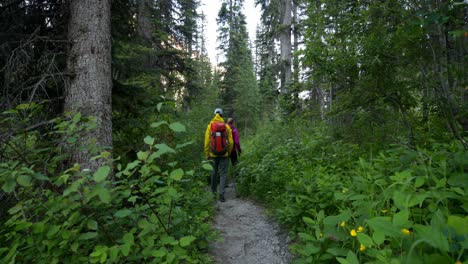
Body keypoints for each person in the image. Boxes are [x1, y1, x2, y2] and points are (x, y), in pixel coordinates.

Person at [204, 108, 233, 202]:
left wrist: (207, 154)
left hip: (213, 154)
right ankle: (221, 194)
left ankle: (213, 194)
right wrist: (228, 151)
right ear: (222, 115)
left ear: (214, 114)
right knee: (223, 174)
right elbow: (231, 142)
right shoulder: (226, 127)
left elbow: (207, 142)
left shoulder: (210, 126)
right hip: (224, 154)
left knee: (213, 173)